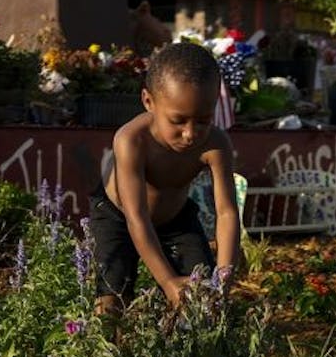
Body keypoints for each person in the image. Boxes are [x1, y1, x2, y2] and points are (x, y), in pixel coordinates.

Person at [91, 41, 241, 314]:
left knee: (201, 294)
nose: (190, 134)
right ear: (149, 101)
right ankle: (109, 351)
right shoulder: (132, 140)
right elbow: (136, 217)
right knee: (112, 297)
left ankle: (187, 352)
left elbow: (227, 212)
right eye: (178, 121)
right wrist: (168, 281)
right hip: (119, 218)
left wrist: (225, 275)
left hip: (176, 219)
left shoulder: (216, 145)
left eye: (203, 120)